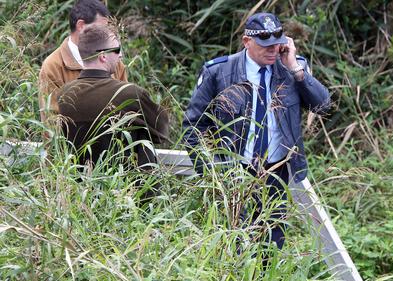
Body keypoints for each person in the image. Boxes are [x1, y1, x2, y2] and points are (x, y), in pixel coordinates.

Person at [182, 12, 330, 250]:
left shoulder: (292, 69)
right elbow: (193, 127)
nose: (272, 50)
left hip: (275, 173)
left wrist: (295, 69)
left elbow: (322, 106)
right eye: (265, 45)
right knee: (232, 248)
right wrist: (212, 175)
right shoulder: (219, 72)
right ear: (246, 41)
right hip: (233, 173)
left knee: (270, 249)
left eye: (276, 44)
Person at [57, 23, 169, 174]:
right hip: (126, 190)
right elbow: (161, 130)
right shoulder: (130, 94)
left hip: (78, 189)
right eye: (116, 50)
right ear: (103, 55)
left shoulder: (64, 94)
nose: (121, 55)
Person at [39, 0, 128, 123]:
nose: (106, 34)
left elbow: (128, 111)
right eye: (101, 28)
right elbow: (52, 124)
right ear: (81, 26)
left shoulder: (114, 61)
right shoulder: (53, 66)